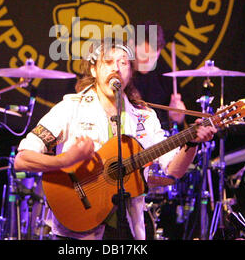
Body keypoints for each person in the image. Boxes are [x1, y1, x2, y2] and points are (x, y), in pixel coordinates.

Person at [14, 40, 217, 240]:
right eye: (108, 62)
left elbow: (173, 170)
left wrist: (192, 143)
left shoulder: (145, 117)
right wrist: (64, 161)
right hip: (77, 232)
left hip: (127, 229)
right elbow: (21, 160)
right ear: (93, 70)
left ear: (130, 72)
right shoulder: (70, 108)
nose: (116, 68)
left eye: (123, 62)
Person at [132, 21, 186, 132]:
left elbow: (172, 130)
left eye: (152, 57)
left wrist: (175, 120)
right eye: (143, 55)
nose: (147, 61)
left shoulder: (165, 78)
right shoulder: (121, 74)